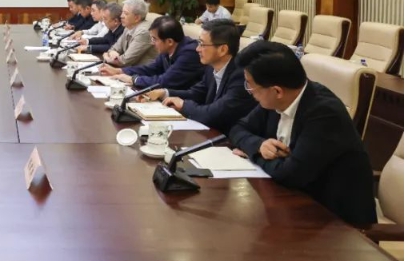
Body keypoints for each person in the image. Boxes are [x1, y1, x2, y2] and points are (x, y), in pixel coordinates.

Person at [229, 41, 377, 226]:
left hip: (334, 220)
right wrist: (259, 145)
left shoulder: (325, 113)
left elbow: (290, 175)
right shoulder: (276, 99)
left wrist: (253, 154)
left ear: (277, 91)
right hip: (293, 203)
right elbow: (237, 128)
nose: (249, 92)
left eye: (250, 86)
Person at [144, 19, 254, 133]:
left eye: (202, 44)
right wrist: (165, 93)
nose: (197, 49)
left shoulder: (242, 77)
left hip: (230, 137)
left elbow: (213, 114)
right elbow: (197, 93)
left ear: (222, 50)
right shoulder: (211, 67)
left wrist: (184, 105)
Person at [102, 16, 204, 90]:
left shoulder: (190, 53)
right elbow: (152, 69)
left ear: (169, 41)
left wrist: (133, 79)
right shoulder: (167, 48)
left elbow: (165, 81)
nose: (152, 43)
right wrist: (120, 71)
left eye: (154, 39)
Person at [103, 0, 157, 67]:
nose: (121, 16)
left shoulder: (143, 32)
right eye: (122, 12)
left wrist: (107, 57)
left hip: (143, 72)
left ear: (137, 18)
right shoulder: (128, 27)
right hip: (129, 69)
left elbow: (124, 61)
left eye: (125, 13)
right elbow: (114, 48)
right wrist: (111, 53)